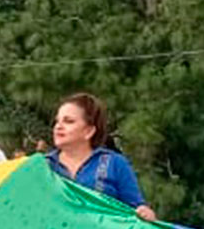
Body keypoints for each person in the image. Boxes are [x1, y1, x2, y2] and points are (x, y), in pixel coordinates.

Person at [43, 93, 157, 221]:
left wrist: (146, 214)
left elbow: (136, 210)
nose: (58, 127)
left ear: (89, 131)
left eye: (68, 121)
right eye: (57, 121)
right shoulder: (42, 166)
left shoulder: (115, 164)